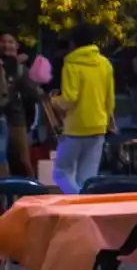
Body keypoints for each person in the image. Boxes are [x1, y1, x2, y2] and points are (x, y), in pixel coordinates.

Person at [52, 24, 115, 194]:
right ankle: (85, 204)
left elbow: (70, 99)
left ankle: (78, 199)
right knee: (87, 177)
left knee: (60, 172)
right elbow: (110, 99)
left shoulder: (71, 64)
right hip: (99, 125)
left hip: (76, 127)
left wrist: (55, 101)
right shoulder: (105, 64)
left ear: (73, 42)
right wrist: (108, 119)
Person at [0, 31, 40, 178]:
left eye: (10, 42)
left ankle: (30, 194)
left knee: (22, 162)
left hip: (16, 121)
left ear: (16, 46)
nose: (6, 45)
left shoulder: (22, 69)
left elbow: (33, 96)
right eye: (3, 41)